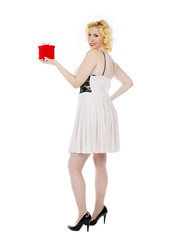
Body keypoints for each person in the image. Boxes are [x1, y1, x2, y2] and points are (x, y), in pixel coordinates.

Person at [39, 19, 133, 232]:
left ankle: (83, 212)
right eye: (89, 34)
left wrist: (55, 63)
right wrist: (110, 99)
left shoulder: (92, 55)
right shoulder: (109, 59)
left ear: (104, 37)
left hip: (91, 111)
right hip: (105, 111)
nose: (91, 39)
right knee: (100, 161)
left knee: (74, 166)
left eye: (96, 35)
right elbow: (128, 82)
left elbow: (75, 82)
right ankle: (99, 209)